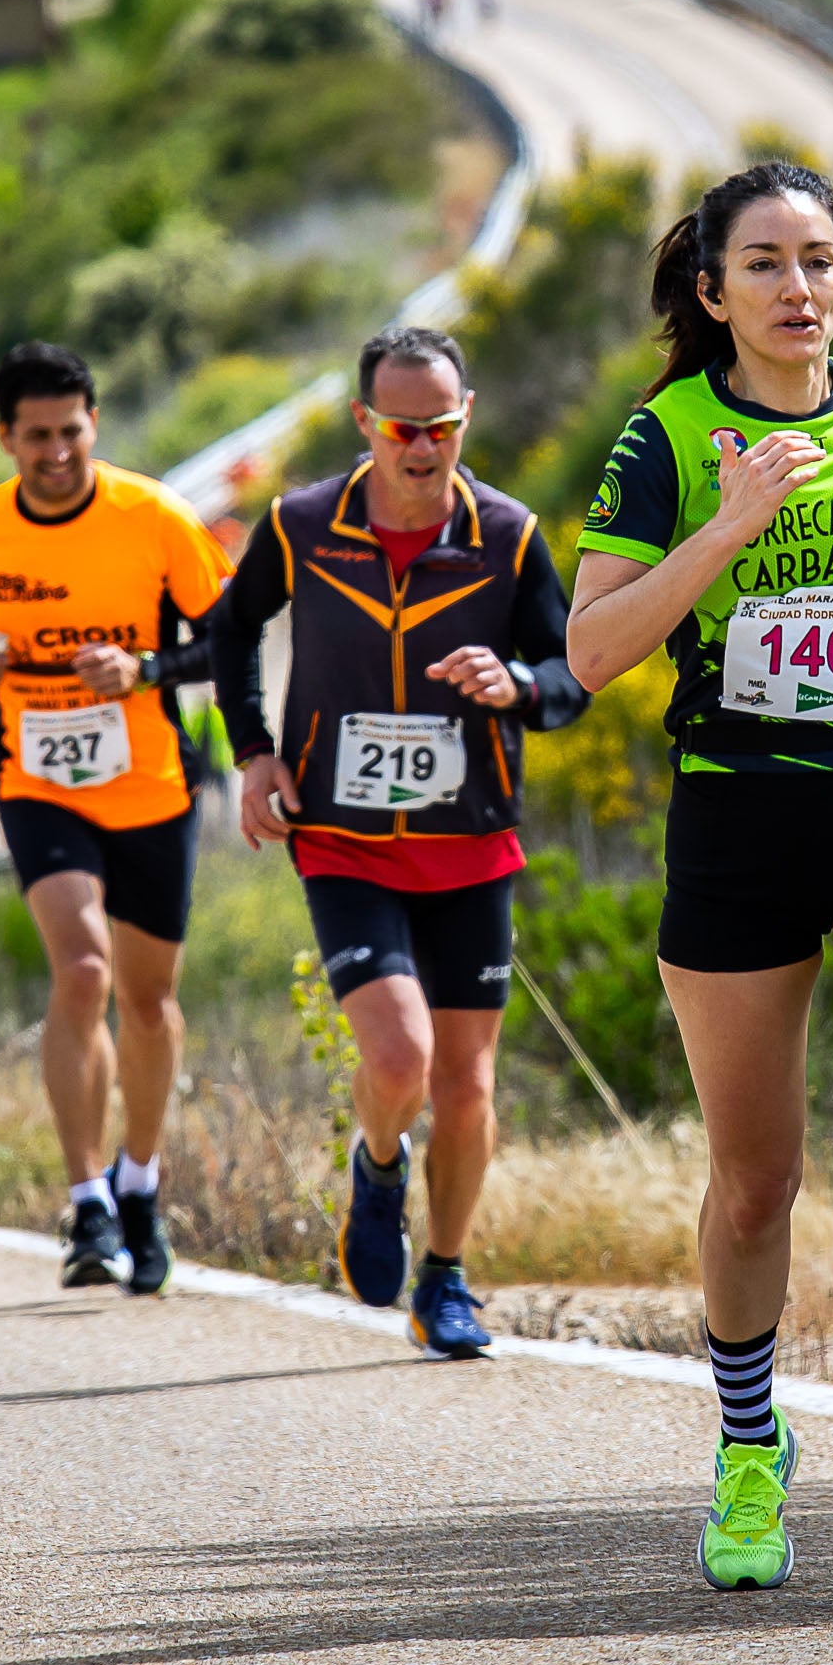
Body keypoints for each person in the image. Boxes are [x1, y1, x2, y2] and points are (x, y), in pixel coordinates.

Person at [564, 161, 833, 1592]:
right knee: (759, 1184)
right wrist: (732, 521)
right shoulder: (670, 438)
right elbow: (592, 650)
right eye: (764, 264)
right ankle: (751, 1451)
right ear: (714, 291)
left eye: (818, 262)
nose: (796, 289)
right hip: (737, 824)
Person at [212, 325, 588, 1360]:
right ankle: (378, 1170)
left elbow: (570, 671)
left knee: (467, 1085)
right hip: (341, 837)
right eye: (402, 427)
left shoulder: (508, 536)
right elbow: (230, 630)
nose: (422, 448)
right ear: (364, 423)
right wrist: (254, 755)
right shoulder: (298, 525)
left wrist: (518, 686)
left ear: (466, 420)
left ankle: (448, 1279)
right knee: (400, 1052)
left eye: (442, 427)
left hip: (470, 843)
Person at [0, 341, 234, 1293]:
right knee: (81, 970)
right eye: (37, 437)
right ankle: (86, 1198)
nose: (57, 453)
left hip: (151, 786)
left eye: (72, 432)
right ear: (6, 438)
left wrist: (148, 669)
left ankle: (140, 1180)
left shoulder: (154, 517)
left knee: (147, 1000)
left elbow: (226, 635)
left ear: (95, 424)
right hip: (38, 780)